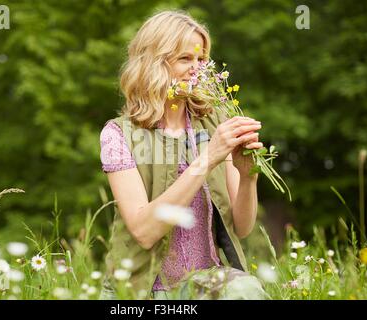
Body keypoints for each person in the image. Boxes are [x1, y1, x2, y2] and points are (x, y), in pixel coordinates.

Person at [99, 10, 268, 300]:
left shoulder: (215, 121)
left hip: (206, 285)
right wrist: (207, 158)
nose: (197, 69)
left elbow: (241, 227)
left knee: (244, 289)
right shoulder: (117, 134)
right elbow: (143, 230)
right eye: (185, 59)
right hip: (142, 292)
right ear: (153, 63)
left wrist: (247, 175)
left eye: (202, 60)